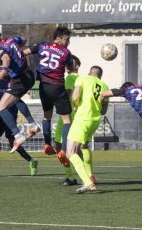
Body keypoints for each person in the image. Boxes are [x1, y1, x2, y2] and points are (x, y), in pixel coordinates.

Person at [23, 26, 74, 166]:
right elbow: (70, 67)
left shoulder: (42, 45)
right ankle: (64, 150)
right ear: (58, 39)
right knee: (67, 120)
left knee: (47, 116)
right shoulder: (65, 52)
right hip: (57, 87)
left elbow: (23, 53)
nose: (68, 42)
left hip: (43, 86)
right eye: (66, 39)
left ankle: (46, 144)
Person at [0, 26, 39, 153]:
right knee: (14, 100)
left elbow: (6, 58)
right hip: (29, 75)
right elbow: (23, 38)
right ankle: (32, 125)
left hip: (20, 79)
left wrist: (4, 69)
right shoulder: (10, 39)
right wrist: (18, 51)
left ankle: (18, 135)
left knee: (0, 108)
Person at [0, 68, 38, 177]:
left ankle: (31, 161)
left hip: (10, 115)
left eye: (2, 69)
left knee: (12, 142)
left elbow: (18, 100)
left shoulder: (14, 82)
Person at [66, 66, 109, 194]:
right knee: (83, 147)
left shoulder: (82, 78)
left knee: (70, 152)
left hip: (82, 118)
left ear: (89, 72)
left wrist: (75, 106)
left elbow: (75, 96)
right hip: (94, 121)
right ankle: (90, 177)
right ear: (100, 76)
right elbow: (104, 110)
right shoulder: (104, 86)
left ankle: (88, 182)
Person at [54, 55, 81, 186]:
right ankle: (82, 175)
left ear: (77, 65)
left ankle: (72, 176)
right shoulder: (81, 79)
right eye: (67, 62)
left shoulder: (71, 78)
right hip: (71, 116)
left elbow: (67, 95)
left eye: (72, 62)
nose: (68, 64)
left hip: (68, 116)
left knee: (64, 148)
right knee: (75, 148)